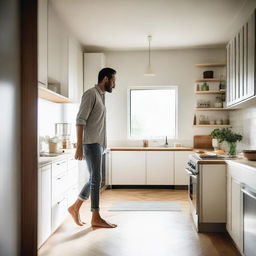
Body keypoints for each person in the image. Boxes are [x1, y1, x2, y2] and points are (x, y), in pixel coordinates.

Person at [68, 67, 117, 228]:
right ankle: (95, 217)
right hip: (91, 144)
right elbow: (80, 120)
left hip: (99, 144)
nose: (114, 84)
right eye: (113, 80)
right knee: (96, 179)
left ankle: (75, 208)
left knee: (94, 179)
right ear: (105, 79)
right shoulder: (90, 94)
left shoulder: (101, 96)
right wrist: (79, 146)